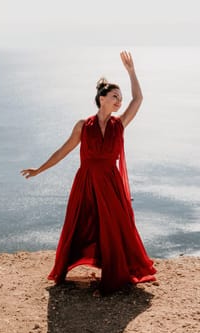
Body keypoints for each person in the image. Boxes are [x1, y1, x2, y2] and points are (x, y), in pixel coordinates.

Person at [21, 51, 156, 295]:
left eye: (120, 98)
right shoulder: (84, 126)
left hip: (110, 183)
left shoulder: (119, 124)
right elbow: (63, 151)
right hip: (86, 183)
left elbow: (139, 99)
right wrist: (39, 169)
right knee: (80, 224)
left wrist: (131, 72)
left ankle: (113, 279)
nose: (119, 101)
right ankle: (65, 269)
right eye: (115, 96)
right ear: (102, 98)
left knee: (114, 228)